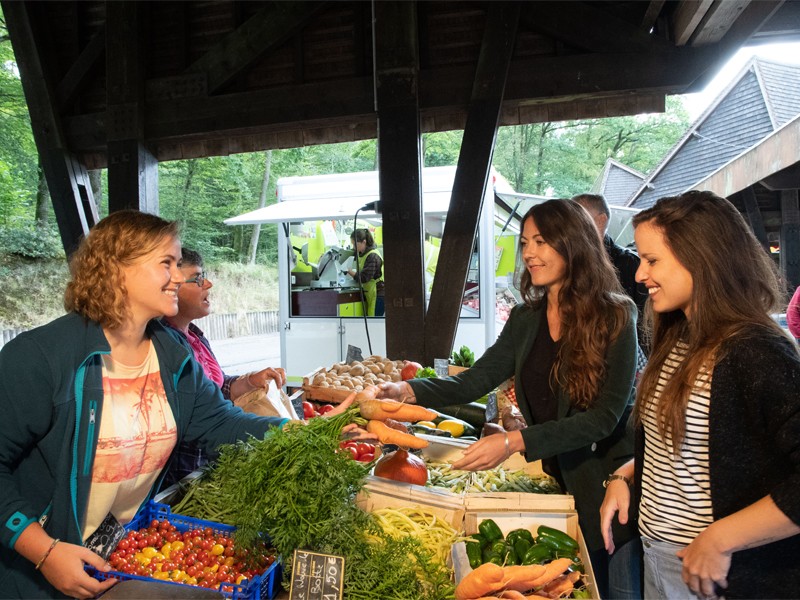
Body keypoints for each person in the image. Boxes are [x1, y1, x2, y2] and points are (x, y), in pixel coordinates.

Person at [0, 210, 357, 599]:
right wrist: (44, 551)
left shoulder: (170, 353)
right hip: (36, 574)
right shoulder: (40, 358)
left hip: (114, 557)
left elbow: (222, 424)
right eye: (166, 264)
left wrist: (303, 433)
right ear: (116, 269)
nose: (180, 276)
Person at [378, 199, 641, 599]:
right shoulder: (525, 319)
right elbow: (477, 380)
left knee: (610, 588)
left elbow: (604, 418)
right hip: (560, 481)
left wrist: (513, 441)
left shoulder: (618, 316)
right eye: (524, 242)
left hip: (607, 482)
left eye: (541, 241)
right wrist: (410, 389)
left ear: (574, 244)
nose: (529, 253)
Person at [599, 191, 800, 600]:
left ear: (703, 257)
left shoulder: (755, 351)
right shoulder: (678, 338)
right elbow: (692, 448)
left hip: (721, 576)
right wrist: (624, 474)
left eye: (652, 261)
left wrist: (722, 538)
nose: (639, 275)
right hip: (662, 560)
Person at [161, 247, 288, 485]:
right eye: (198, 278)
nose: (208, 284)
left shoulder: (195, 336)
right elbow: (204, 416)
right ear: (170, 287)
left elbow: (211, 392)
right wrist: (287, 429)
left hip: (206, 464)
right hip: (182, 475)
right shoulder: (166, 346)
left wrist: (249, 381)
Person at [573, 194, 649, 351]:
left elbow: (644, 327)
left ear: (601, 221)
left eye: (576, 220)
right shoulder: (568, 263)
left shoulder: (629, 265)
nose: (569, 229)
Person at [347, 228, 385, 316]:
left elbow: (364, 277)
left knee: (374, 324)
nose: (354, 247)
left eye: (355, 244)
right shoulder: (362, 253)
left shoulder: (372, 256)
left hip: (378, 294)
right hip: (370, 294)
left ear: (364, 242)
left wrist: (348, 271)